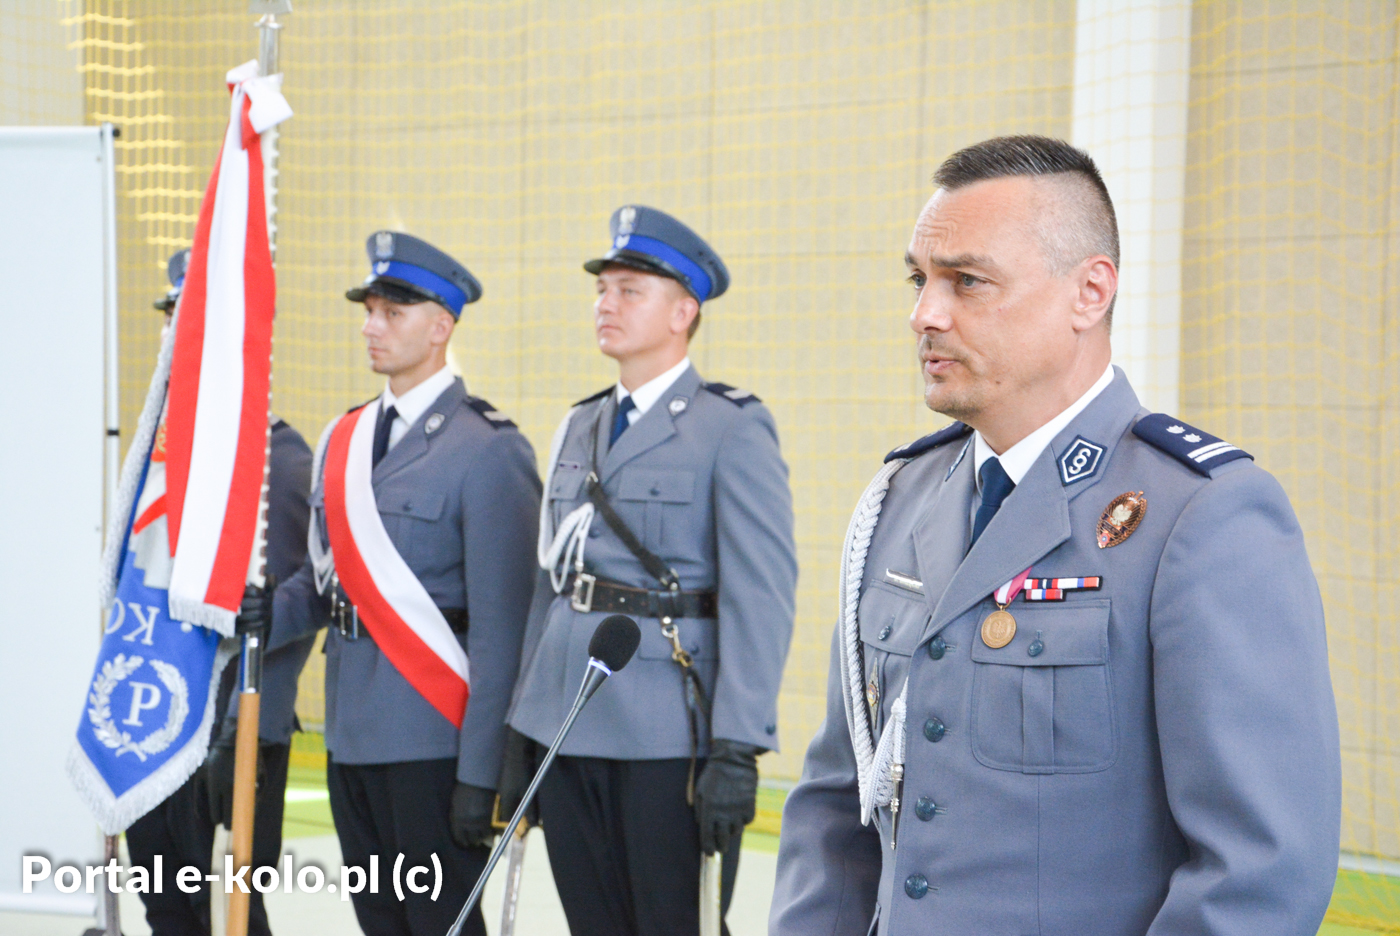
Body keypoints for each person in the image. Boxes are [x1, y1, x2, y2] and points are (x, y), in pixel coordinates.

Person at [769, 135, 1342, 935]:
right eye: (920, 279)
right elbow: (838, 805)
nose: (924, 314)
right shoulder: (900, 501)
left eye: (966, 281)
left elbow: (1260, 871)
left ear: (1089, 293)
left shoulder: (1201, 515)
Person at [504, 205, 798, 935]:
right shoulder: (580, 425)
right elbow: (555, 577)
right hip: (566, 720)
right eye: (603, 288)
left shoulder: (730, 427)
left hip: (665, 732)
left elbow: (761, 597)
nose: (606, 303)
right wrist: (523, 725)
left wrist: (738, 744)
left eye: (629, 289)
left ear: (683, 310)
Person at [267, 231, 540, 936]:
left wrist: (483, 772)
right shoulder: (343, 438)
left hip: (434, 739)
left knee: (442, 924)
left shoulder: (489, 449)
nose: (371, 325)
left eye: (392, 312)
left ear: (441, 326)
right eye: (369, 310)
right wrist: (258, 612)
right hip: (349, 733)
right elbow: (323, 582)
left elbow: (505, 631)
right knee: (379, 923)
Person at [124, 249, 316, 936]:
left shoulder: (280, 458)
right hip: (152, 712)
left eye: (193, 320)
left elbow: (301, 596)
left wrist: (247, 706)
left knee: (234, 912)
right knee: (166, 907)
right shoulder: (158, 456)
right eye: (173, 320)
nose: (177, 336)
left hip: (234, 724)